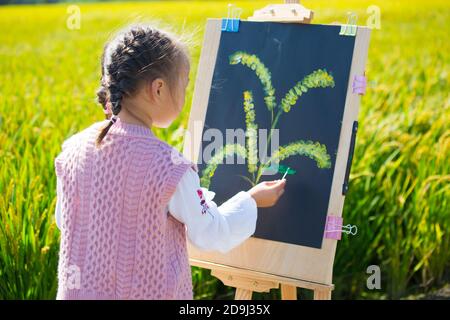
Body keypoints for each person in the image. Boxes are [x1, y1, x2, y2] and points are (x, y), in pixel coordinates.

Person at [54, 24, 286, 300]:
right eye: (184, 84)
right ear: (159, 89)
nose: (185, 96)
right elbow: (210, 232)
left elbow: (65, 220)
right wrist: (251, 201)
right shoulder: (168, 168)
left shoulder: (72, 150)